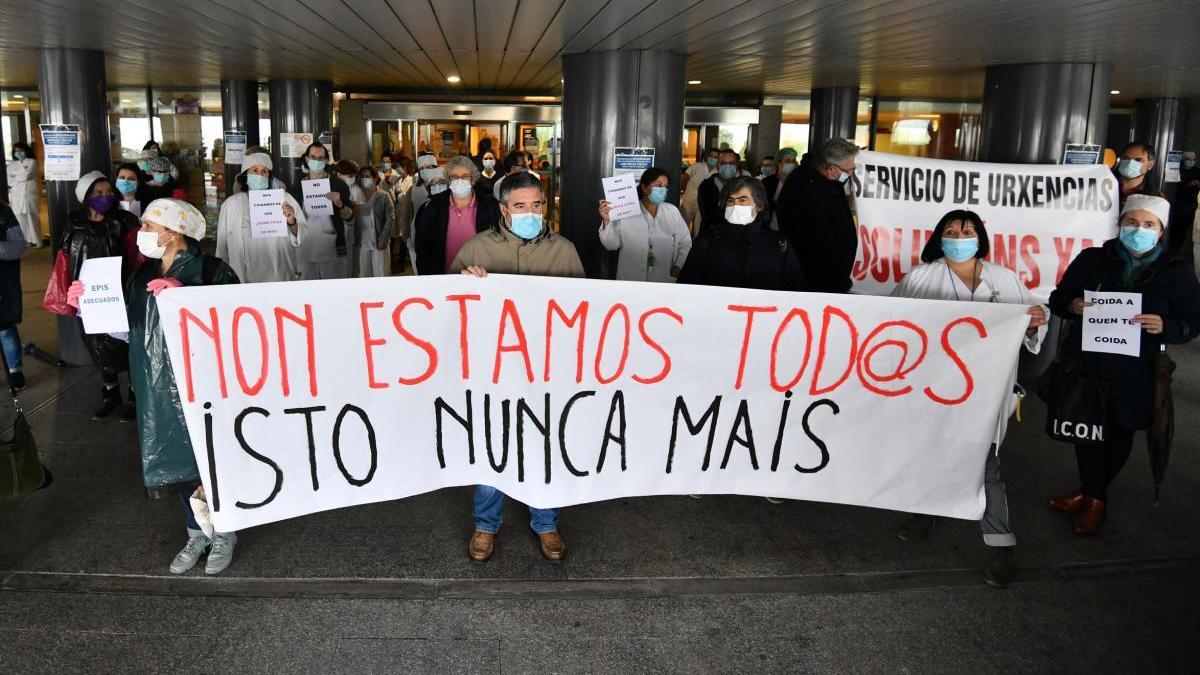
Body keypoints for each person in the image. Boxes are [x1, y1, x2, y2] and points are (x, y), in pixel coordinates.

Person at [72, 198, 242, 575]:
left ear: (174, 231)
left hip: (204, 384)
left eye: (149, 226)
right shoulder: (139, 274)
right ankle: (197, 531)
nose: (142, 234)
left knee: (211, 461)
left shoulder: (212, 269)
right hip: (158, 387)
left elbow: (236, 322)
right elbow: (129, 332)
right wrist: (88, 307)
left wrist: (187, 297)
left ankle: (225, 531)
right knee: (175, 461)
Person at [890, 210, 1048, 588]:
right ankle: (924, 513)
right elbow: (891, 322)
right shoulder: (921, 277)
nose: (959, 236)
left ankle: (999, 545)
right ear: (939, 237)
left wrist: (1035, 320)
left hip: (987, 390)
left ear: (980, 238)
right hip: (933, 386)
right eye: (951, 230)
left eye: (967, 230)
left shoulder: (1004, 279)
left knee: (986, 464)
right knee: (928, 451)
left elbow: (1031, 323)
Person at [451, 170, 584, 563]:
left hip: (545, 368)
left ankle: (546, 521)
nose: (530, 212)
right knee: (493, 443)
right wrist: (463, 283)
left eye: (537, 205)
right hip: (493, 367)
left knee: (543, 443)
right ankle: (485, 524)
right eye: (521, 206)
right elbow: (445, 306)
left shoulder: (564, 250)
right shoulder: (477, 249)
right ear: (505, 211)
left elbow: (582, 311)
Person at [1047, 194, 1200, 535]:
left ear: (1160, 231)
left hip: (1138, 369)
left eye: (1148, 225)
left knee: (1120, 431)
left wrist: (1166, 326)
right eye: (1132, 222)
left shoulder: (1176, 272)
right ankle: (1093, 494)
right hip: (1089, 363)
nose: (1138, 230)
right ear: (1120, 224)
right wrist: (1072, 305)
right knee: (1084, 428)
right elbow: (1057, 299)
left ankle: (1092, 496)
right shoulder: (1093, 260)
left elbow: (1194, 320)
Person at [62, 171, 140, 419]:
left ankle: (134, 396)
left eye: (108, 192)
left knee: (130, 346)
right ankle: (111, 393)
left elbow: (138, 256)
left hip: (122, 296)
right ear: (85, 196)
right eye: (98, 193)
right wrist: (68, 293)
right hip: (89, 300)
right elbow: (63, 262)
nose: (104, 197)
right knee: (98, 346)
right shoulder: (74, 225)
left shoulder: (124, 221)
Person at [677, 176, 804, 291]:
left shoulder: (779, 244)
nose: (735, 206)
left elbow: (795, 290)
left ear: (758, 205)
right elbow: (687, 286)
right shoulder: (707, 241)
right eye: (730, 201)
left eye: (743, 200)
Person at [776, 137, 860, 293]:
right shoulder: (802, 187)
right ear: (831, 168)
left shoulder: (831, 183)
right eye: (848, 170)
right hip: (815, 281)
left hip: (833, 277)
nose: (850, 174)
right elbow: (816, 242)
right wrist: (836, 278)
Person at [215, 152, 306, 283]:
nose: (260, 175)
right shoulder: (232, 204)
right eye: (255, 170)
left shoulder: (285, 199)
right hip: (244, 278)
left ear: (269, 176)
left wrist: (291, 221)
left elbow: (302, 237)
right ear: (246, 174)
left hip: (279, 275)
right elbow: (222, 247)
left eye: (264, 171)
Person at [597, 167, 692, 282]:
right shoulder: (627, 212)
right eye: (658, 185)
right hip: (632, 282)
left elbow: (686, 242)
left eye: (666, 187)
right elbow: (611, 244)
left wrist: (678, 266)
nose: (663, 190)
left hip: (663, 281)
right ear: (644, 188)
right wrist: (607, 221)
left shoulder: (672, 212)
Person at [415, 155, 499, 275]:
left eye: (465, 177)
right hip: (443, 278)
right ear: (448, 180)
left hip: (480, 277)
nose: (460, 180)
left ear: (473, 179)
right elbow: (422, 245)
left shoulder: (490, 205)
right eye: (454, 177)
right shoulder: (435, 206)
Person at [290, 142, 354, 280]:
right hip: (306, 249)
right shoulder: (297, 188)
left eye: (320, 158)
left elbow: (350, 218)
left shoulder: (337, 184)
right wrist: (301, 216)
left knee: (333, 294)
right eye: (313, 157)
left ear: (326, 161)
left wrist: (340, 204)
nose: (316, 161)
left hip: (332, 249)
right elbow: (291, 222)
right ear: (307, 160)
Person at [0, 202, 27, 390]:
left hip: (3, 285)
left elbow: (18, 246)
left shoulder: (3, 212)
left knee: (5, 330)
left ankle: (15, 370)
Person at [353, 164, 395, 277]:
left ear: (375, 178)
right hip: (362, 241)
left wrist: (384, 239)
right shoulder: (356, 195)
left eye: (367, 176)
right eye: (362, 177)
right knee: (363, 275)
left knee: (381, 273)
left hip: (379, 240)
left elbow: (390, 218)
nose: (364, 179)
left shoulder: (384, 196)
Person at [696, 149, 743, 234]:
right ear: (718, 165)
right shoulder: (706, 186)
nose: (728, 166)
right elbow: (707, 216)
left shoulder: (744, 187)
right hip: (710, 236)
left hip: (737, 237)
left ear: (737, 165)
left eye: (731, 163)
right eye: (724, 163)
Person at [6, 141, 40, 247]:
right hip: (17, 195)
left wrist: (15, 176)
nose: (18, 152)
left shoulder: (32, 162)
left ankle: (37, 241)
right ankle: (25, 242)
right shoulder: (12, 165)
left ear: (25, 150)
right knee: (20, 219)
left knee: (32, 217)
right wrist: (21, 176)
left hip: (29, 194)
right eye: (16, 151)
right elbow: (9, 181)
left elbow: (27, 176)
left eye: (20, 150)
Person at [1114, 141, 1164, 212]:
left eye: (1138, 160)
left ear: (1150, 165)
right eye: (1126, 158)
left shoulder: (1156, 196)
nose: (1130, 163)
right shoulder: (1104, 184)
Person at [681, 148, 718, 235]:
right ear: (707, 157)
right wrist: (682, 190)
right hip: (689, 199)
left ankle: (695, 246)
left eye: (716, 157)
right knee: (683, 224)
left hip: (703, 203)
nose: (713, 159)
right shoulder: (697, 166)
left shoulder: (717, 171)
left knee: (698, 228)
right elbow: (685, 177)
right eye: (711, 156)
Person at [1169, 150, 1198, 262]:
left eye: (1193, 160)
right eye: (1188, 159)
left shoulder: (1197, 172)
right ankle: (1171, 252)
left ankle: (1176, 253)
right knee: (1174, 230)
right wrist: (1188, 184)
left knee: (1184, 232)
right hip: (1177, 205)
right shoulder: (1176, 169)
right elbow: (1173, 185)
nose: (1191, 162)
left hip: (1190, 207)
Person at [761, 147, 798, 224]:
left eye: (793, 161)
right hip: (771, 225)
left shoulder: (797, 182)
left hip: (791, 226)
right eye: (788, 161)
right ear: (779, 162)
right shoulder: (767, 182)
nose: (791, 164)